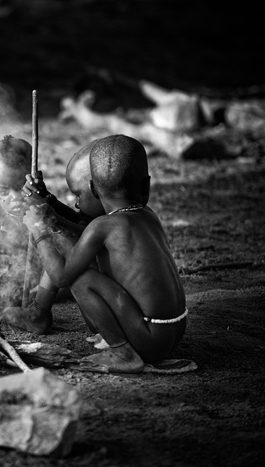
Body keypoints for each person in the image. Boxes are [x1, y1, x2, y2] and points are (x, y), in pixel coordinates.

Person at [22, 134, 186, 372]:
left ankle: (123, 353)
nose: (77, 203)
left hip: (148, 340)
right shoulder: (147, 215)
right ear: (146, 185)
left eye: (79, 196)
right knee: (78, 257)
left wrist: (39, 230)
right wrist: (49, 203)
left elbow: (61, 277)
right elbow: (83, 231)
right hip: (171, 331)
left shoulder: (103, 227)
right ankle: (124, 344)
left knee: (79, 277)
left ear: (93, 189)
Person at [0, 135, 86, 334]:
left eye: (21, 188)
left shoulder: (45, 209)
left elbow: (77, 231)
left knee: (59, 240)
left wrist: (47, 207)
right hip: (6, 285)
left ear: (36, 179)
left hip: (44, 285)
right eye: (3, 192)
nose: (15, 198)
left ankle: (38, 310)